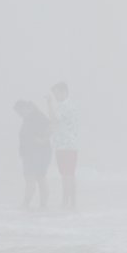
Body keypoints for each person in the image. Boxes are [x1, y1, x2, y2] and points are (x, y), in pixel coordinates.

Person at [45, 82, 80, 210]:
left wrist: (49, 104)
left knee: (67, 175)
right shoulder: (68, 105)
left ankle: (67, 203)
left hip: (66, 145)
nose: (55, 96)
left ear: (64, 91)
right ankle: (70, 203)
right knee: (68, 174)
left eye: (56, 93)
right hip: (67, 144)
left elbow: (54, 119)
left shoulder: (64, 106)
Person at [13, 100, 52, 210]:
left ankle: (31, 205)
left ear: (25, 108)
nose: (19, 115)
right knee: (34, 178)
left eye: (19, 112)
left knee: (37, 178)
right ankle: (35, 206)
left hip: (38, 153)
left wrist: (43, 139)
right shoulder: (28, 118)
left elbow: (51, 126)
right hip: (32, 153)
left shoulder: (36, 115)